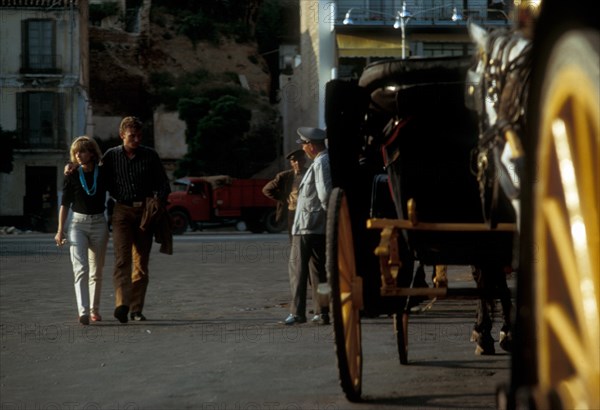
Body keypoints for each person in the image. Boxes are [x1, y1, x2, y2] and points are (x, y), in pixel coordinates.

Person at [101, 116, 171, 323]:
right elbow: (97, 179)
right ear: (122, 135)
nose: (137, 140)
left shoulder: (150, 156)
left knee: (141, 262)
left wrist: (158, 200)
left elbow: (163, 184)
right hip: (121, 210)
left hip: (145, 213)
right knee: (122, 259)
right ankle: (121, 305)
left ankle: (136, 309)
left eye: (140, 135)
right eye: (132, 136)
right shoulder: (111, 156)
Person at [55, 136, 109, 325]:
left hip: (100, 223)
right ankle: (83, 311)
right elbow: (64, 204)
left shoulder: (103, 172)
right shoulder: (71, 174)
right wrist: (60, 229)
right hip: (77, 224)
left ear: (92, 153)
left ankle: (95, 310)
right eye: (76, 152)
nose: (78, 155)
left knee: (96, 271)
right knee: (81, 269)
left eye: (83, 151)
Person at [284, 127, 332, 325]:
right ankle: (322, 312)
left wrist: (329, 220)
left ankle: (297, 313)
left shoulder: (321, 163)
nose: (303, 148)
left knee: (297, 270)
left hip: (308, 225)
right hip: (315, 226)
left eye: (304, 144)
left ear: (311, 146)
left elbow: (325, 194)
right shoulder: (321, 162)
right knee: (318, 271)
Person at [262, 149, 308, 239]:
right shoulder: (284, 176)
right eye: (294, 161)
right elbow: (266, 189)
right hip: (293, 211)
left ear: (304, 161)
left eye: (300, 160)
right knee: (294, 238)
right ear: (291, 163)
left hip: (307, 211)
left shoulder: (311, 173)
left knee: (307, 238)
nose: (297, 163)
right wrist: (283, 198)